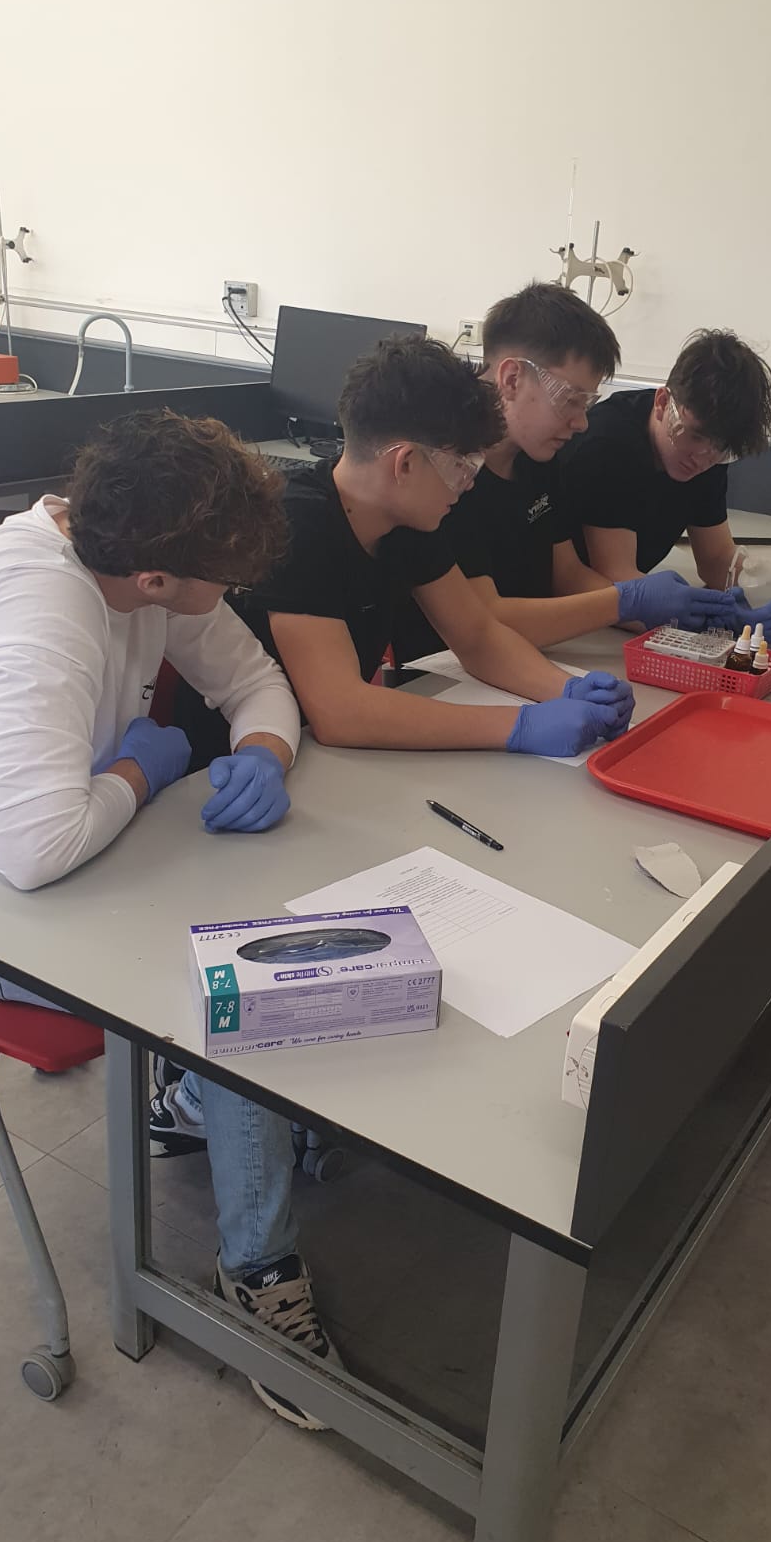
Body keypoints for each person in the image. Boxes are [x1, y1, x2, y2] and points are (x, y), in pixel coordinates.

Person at [0, 409, 342, 1431]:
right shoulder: (43, 612)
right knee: (222, 994)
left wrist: (264, 752)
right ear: (156, 576)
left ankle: (196, 1103)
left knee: (276, 912)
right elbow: (32, 853)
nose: (227, 593)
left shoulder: (138, 552)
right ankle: (256, 1271)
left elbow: (255, 681)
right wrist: (141, 768)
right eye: (221, 578)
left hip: (56, 849)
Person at [157, 337, 635, 1162]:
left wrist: (565, 693)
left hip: (324, 771)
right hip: (231, 786)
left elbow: (476, 636)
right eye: (462, 468)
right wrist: (519, 729)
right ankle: (193, 1095)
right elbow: (340, 709)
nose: (472, 483)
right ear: (406, 461)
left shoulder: (409, 518)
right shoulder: (302, 521)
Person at [406, 284, 736, 656]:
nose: (582, 423)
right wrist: (625, 602)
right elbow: (486, 620)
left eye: (587, 403)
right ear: (512, 379)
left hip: (526, 654)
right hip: (443, 671)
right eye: (571, 399)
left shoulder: (537, 458)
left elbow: (567, 574)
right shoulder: (445, 469)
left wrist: (686, 620)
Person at [557, 327, 771, 646]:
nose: (701, 459)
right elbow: (617, 578)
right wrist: (713, 621)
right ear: (662, 403)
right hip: (570, 612)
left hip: (611, 612)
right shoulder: (608, 445)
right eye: (694, 436)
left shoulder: (709, 453)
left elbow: (716, 558)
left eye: (720, 449)